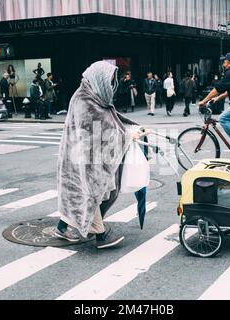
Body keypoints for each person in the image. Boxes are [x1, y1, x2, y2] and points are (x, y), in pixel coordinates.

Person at [55, 61, 143, 249]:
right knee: (90, 193)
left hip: (88, 158)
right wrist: (128, 135)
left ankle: (61, 228)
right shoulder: (84, 100)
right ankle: (101, 236)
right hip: (82, 159)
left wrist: (132, 129)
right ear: (98, 79)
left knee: (85, 194)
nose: (111, 85)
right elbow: (99, 130)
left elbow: (113, 119)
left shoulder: (94, 98)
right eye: (109, 80)